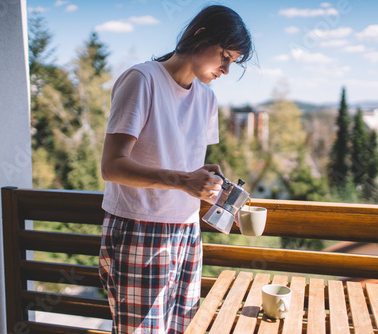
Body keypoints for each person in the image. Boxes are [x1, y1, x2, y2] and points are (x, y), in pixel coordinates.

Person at [98, 4, 253, 334]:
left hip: (187, 230)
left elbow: (177, 160)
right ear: (199, 36)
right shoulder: (142, 79)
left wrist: (202, 175)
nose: (226, 69)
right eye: (224, 55)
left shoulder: (207, 100)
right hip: (139, 227)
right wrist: (184, 179)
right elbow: (111, 166)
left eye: (233, 62)